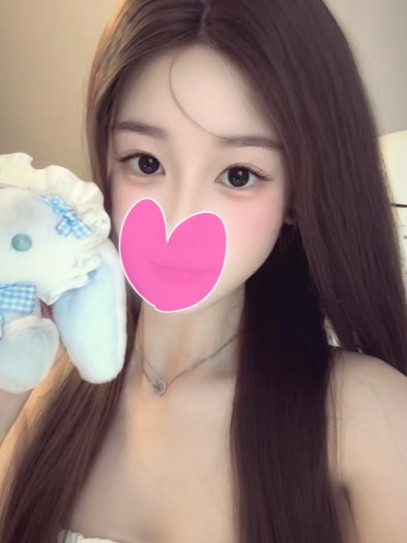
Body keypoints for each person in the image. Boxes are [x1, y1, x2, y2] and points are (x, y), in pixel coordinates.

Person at [1, 0, 407, 542]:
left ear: (298, 193)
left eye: (238, 174)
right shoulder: (40, 381)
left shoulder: (369, 418)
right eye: (146, 162)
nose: (179, 216)